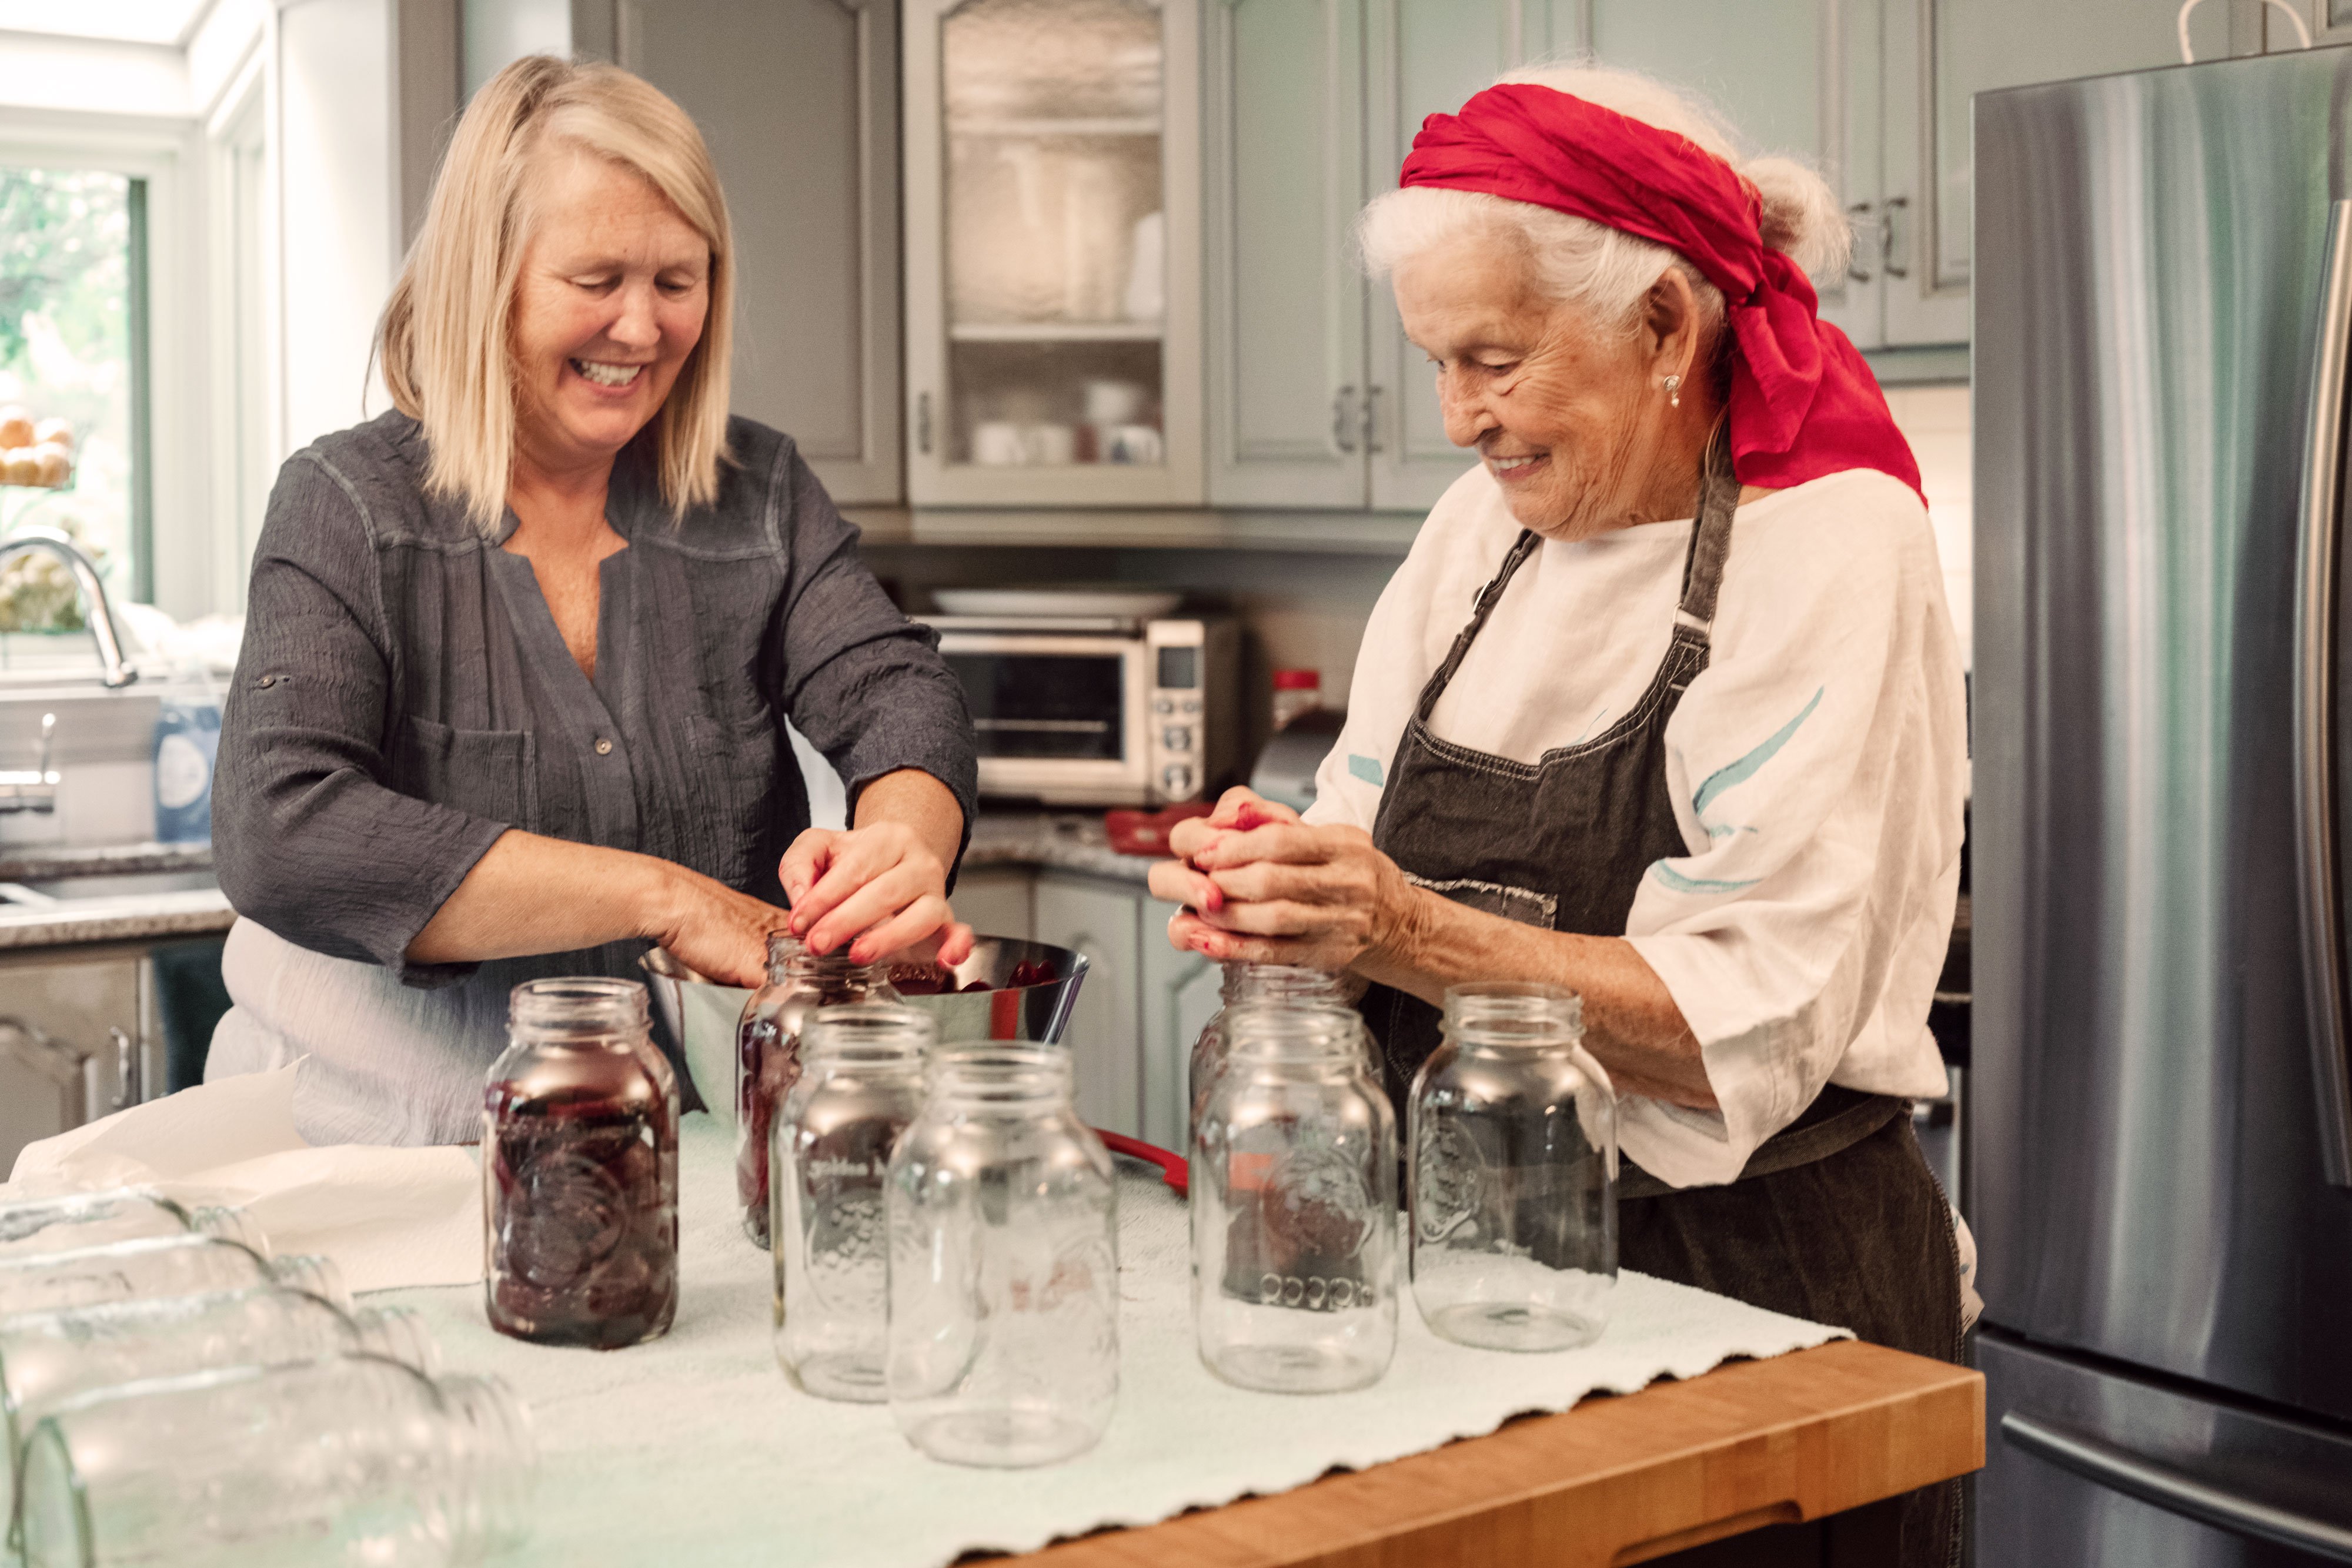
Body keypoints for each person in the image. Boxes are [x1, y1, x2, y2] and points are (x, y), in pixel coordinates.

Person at [1148, 64, 1966, 1563]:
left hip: (1750, 1299)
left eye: (1496, 360)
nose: (1460, 417)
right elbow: (1357, 822)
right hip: (1476, 1272)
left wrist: (1392, 922)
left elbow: (1753, 1020)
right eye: (1436, 363)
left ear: (1662, 324)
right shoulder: (1484, 527)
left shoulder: (1835, 542)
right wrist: (1277, 897)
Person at [209, 57, 976, 1145]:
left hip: (679, 1157)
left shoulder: (754, 493)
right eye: (597, 279)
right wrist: (669, 897)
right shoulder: (347, 502)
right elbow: (280, 831)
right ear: (490, 277)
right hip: (380, 1151)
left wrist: (902, 845)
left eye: (678, 281)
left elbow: (892, 685)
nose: (643, 329)